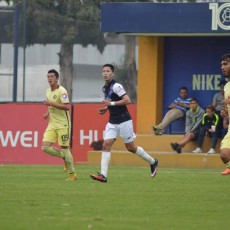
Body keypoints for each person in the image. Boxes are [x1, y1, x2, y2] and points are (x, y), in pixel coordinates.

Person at [90, 64, 158, 183]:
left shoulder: (117, 86)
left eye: (108, 71)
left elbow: (127, 100)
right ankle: (103, 175)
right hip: (112, 121)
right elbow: (112, 102)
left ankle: (153, 161)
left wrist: (110, 105)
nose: (105, 73)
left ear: (113, 73)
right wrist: (106, 109)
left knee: (130, 148)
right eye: (103, 71)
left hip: (124, 121)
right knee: (106, 145)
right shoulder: (105, 88)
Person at [41, 69, 77, 181]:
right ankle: (63, 157)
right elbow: (50, 105)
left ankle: (73, 175)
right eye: (48, 77)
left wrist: (50, 103)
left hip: (63, 124)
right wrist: (47, 112)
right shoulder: (48, 91)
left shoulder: (62, 91)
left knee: (65, 148)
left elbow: (67, 106)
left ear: (57, 78)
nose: (50, 78)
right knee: (45, 147)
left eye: (52, 76)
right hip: (52, 124)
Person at [220, 53, 230, 175]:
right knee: (224, 154)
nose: (222, 67)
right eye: (221, 64)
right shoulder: (227, 86)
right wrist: (226, 114)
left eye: (225, 64)